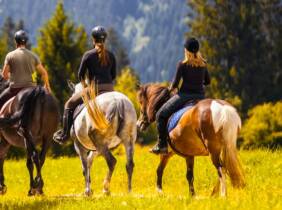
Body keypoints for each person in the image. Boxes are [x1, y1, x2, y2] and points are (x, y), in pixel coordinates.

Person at [53, 26, 116, 144]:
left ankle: (64, 135)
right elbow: (113, 75)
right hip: (110, 88)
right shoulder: (111, 55)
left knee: (69, 103)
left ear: (93, 39)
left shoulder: (88, 55)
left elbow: (80, 75)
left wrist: (86, 85)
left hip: (95, 89)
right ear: (105, 40)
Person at [150, 38, 210, 154]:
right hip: (201, 98)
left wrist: (170, 88)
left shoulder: (182, 65)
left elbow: (176, 84)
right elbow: (208, 82)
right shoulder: (203, 64)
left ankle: (162, 145)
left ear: (186, 51)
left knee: (160, 115)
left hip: (184, 96)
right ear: (198, 50)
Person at [0, 30, 51, 109]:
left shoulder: (9, 56)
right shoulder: (34, 56)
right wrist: (47, 86)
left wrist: (12, 75)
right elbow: (44, 73)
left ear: (16, 41)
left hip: (15, 89)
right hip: (32, 89)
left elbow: (4, 75)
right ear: (26, 42)